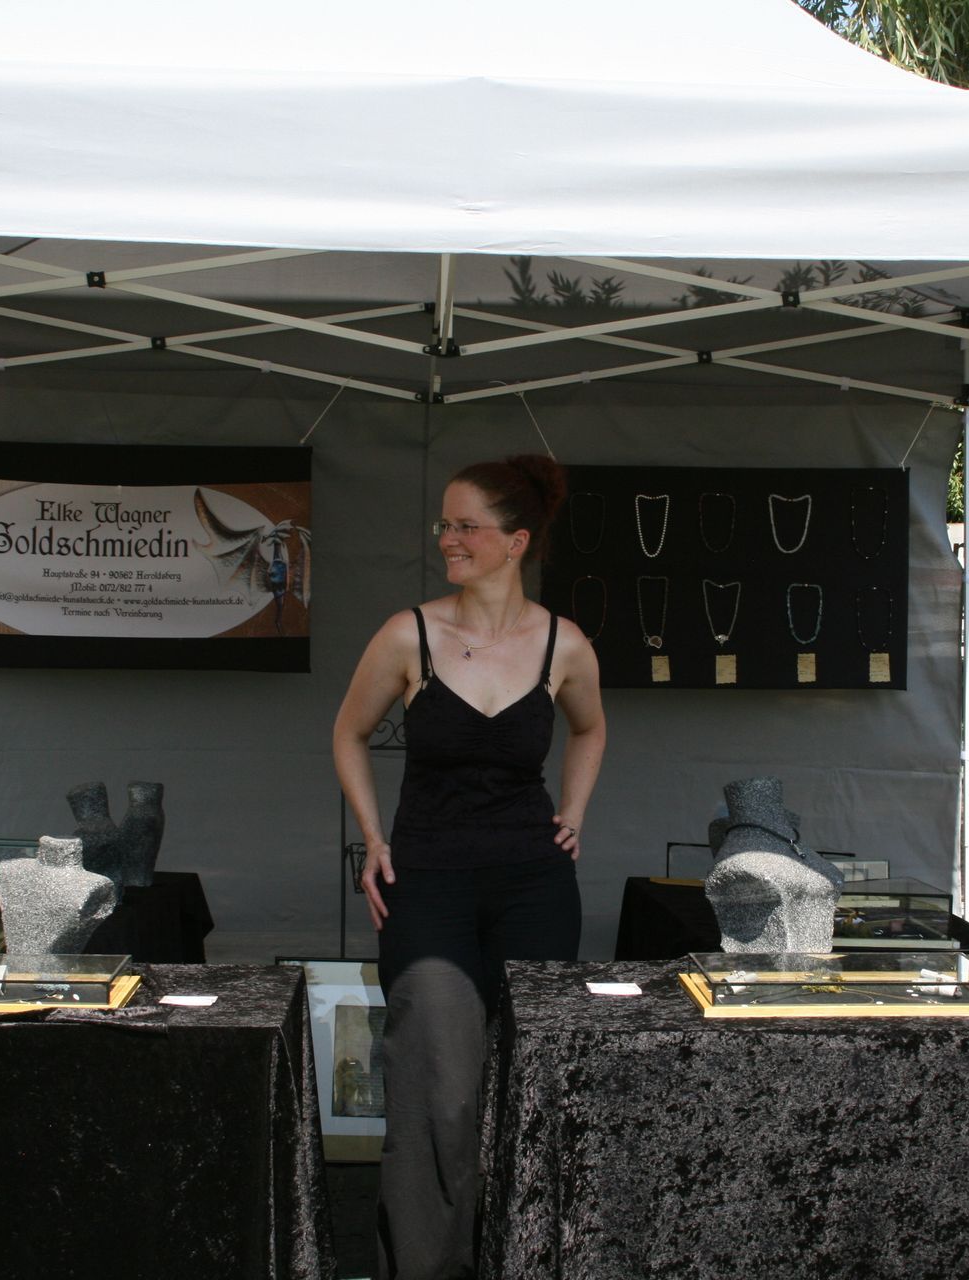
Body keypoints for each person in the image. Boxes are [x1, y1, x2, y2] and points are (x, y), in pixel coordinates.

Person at [333, 453, 606, 1280]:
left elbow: (590, 731)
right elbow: (347, 733)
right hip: (429, 890)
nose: (447, 539)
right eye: (444, 525)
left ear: (515, 541)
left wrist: (574, 814)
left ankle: (523, 1259)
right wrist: (374, 839)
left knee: (532, 1085)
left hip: (534, 889)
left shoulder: (564, 644)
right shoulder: (407, 634)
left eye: (465, 526)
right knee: (440, 1091)